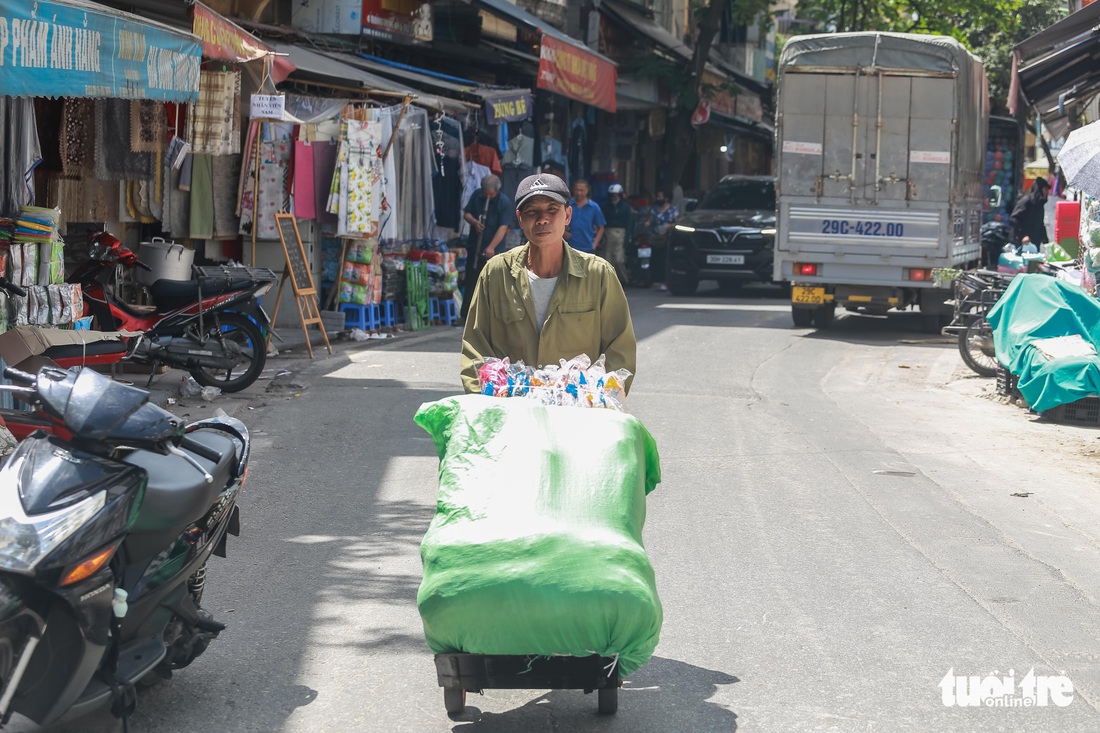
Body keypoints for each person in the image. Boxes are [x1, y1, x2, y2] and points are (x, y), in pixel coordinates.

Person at [460, 174, 637, 394]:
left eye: (552, 210)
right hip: (511, 415)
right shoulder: (495, 274)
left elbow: (620, 350)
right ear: (520, 218)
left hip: (577, 414)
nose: (542, 219)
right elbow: (475, 349)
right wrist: (489, 401)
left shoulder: (599, 275)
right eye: (532, 211)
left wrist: (601, 400)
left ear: (568, 215)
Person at [460, 174, 514, 321]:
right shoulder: (477, 195)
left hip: (493, 250)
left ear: (497, 190)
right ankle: (466, 314)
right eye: (486, 193)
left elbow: (503, 228)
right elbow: (466, 213)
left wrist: (491, 247)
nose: (488, 196)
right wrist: (474, 222)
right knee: (471, 280)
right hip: (475, 246)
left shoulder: (504, 202)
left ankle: (491, 316)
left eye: (491, 194)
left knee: (493, 282)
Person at [645, 190, 680, 291]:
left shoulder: (673, 210)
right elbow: (650, 220)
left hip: (667, 239)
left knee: (665, 259)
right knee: (655, 259)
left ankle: (666, 281)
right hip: (655, 238)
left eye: (660, 197)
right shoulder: (654, 210)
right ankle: (655, 279)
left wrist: (669, 226)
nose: (658, 199)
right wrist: (647, 223)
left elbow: (677, 222)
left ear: (666, 198)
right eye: (658, 197)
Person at [600, 183, 632, 284]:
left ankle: (623, 280)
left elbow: (629, 223)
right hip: (608, 233)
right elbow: (602, 222)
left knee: (619, 260)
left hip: (621, 234)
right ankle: (608, 281)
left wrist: (628, 237)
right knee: (607, 259)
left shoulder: (625, 207)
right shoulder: (606, 206)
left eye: (616, 195)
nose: (614, 197)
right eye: (612, 195)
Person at [564, 179, 605, 254]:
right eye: (576, 190)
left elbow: (601, 227)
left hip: (588, 248)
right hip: (570, 247)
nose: (579, 193)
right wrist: (563, 232)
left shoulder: (594, 207)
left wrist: (594, 244)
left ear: (587, 190)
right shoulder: (568, 205)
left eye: (581, 190)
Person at [1010, 177, 1050, 247]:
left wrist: (1045, 240)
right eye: (1045, 190)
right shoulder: (1026, 201)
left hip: (1034, 243)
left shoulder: (1040, 205)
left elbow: (1040, 224)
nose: (1047, 193)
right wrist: (1023, 235)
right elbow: (1014, 218)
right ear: (1039, 190)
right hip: (1021, 242)